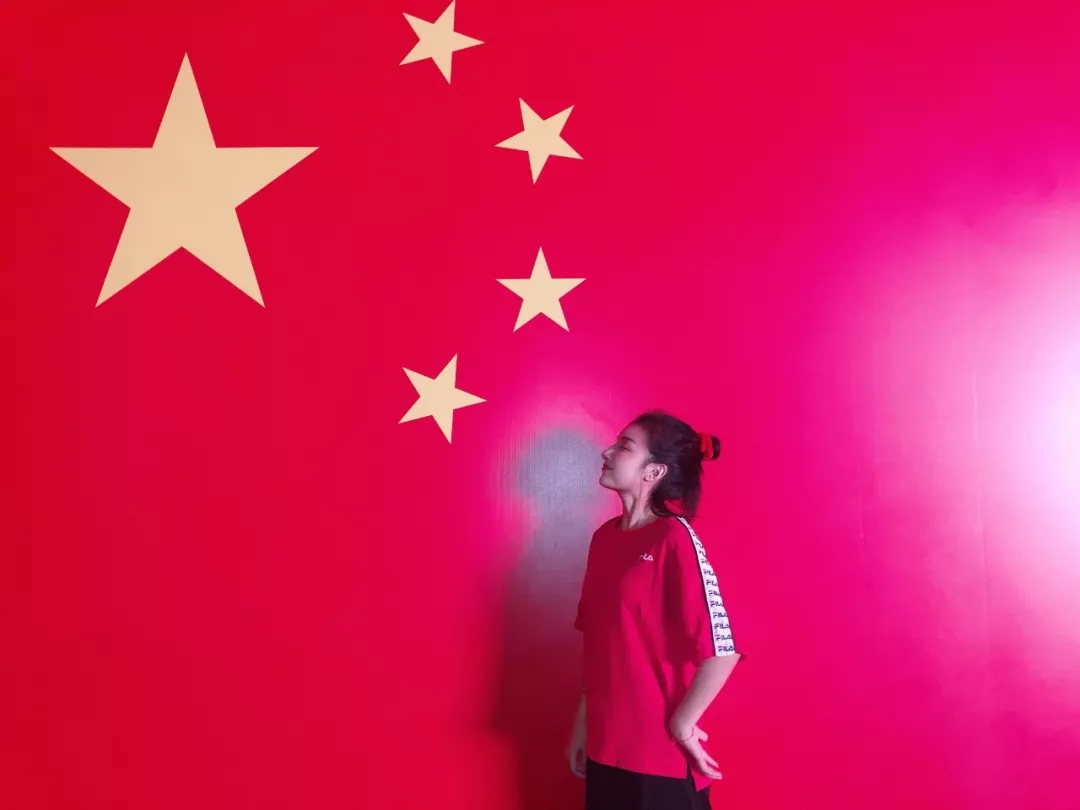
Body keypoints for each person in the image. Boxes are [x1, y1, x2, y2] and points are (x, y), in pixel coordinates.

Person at [566, 410, 742, 810]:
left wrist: (682, 726)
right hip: (604, 750)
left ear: (654, 471)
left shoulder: (674, 537)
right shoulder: (603, 539)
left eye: (624, 446)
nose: (607, 452)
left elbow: (722, 650)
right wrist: (583, 725)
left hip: (657, 759)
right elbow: (601, 645)